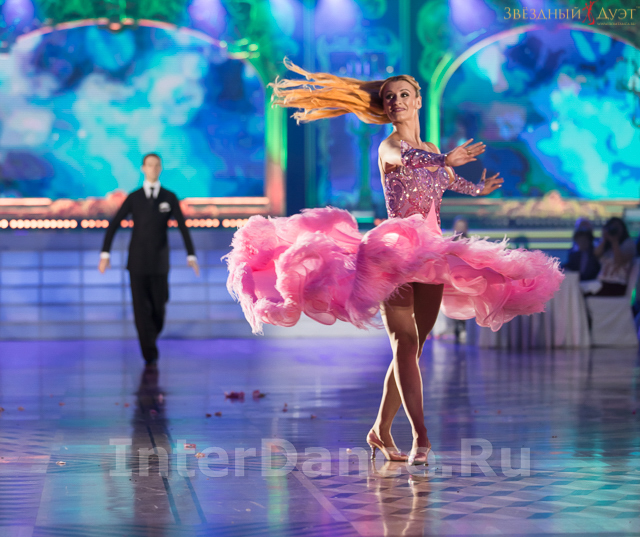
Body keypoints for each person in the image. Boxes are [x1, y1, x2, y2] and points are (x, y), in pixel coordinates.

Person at [225, 60, 563, 465]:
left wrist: (477, 187)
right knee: (404, 343)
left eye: (404, 95)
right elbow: (416, 162)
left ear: (418, 101)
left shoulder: (432, 150)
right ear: (385, 108)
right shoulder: (390, 148)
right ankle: (422, 436)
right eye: (390, 98)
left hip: (433, 255)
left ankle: (379, 430)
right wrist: (445, 160)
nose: (397, 101)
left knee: (413, 348)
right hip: (394, 254)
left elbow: (445, 181)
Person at [99, 153, 199, 365]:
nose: (153, 169)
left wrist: (191, 255)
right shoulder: (134, 197)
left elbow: (183, 227)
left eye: (156, 165)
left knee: (159, 307)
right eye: (149, 165)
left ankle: (151, 338)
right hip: (137, 262)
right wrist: (105, 254)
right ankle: (149, 352)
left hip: (160, 262)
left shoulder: (169, 197)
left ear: (160, 168)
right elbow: (114, 225)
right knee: (140, 309)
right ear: (143, 168)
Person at [592, 217, 635, 296]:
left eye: (617, 227)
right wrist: (604, 238)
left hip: (617, 284)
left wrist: (615, 242)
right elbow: (596, 254)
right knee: (578, 289)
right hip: (601, 282)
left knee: (582, 292)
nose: (614, 230)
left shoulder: (628, 244)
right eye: (612, 227)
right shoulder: (606, 245)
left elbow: (619, 262)